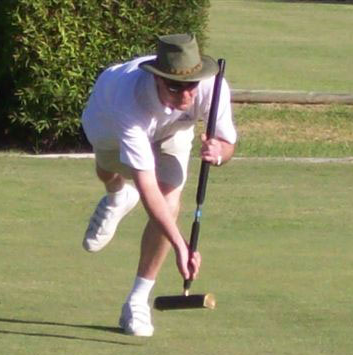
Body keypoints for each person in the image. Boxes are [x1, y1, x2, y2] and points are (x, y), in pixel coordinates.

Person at [81, 33, 237, 337]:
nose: (186, 95)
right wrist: (181, 245)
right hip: (107, 123)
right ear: (157, 79)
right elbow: (146, 184)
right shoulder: (128, 99)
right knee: (109, 169)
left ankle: (137, 301)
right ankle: (116, 196)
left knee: (170, 200)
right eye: (175, 86)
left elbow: (228, 142)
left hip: (174, 130)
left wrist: (221, 153)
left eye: (191, 86)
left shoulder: (212, 88)